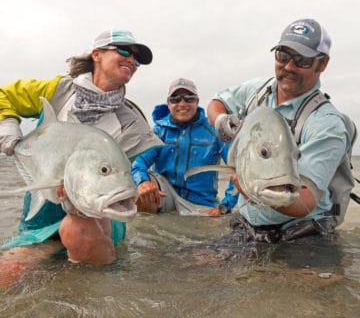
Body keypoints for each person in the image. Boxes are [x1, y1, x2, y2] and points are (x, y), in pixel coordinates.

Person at [0, 29, 163, 266]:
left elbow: (122, 176)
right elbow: (5, 96)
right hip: (43, 207)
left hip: (97, 214)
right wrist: (8, 126)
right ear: (96, 54)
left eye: (137, 59)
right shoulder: (57, 90)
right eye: (124, 51)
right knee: (9, 273)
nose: (132, 60)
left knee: (78, 229)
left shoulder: (134, 124)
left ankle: (94, 295)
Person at [207, 18, 351, 242]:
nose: (289, 67)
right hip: (249, 223)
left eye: (302, 60)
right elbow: (217, 101)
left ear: (322, 64)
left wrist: (251, 190)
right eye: (282, 56)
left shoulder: (328, 124)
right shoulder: (258, 89)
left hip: (302, 232)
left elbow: (306, 200)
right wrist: (221, 121)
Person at [131, 78, 238, 216]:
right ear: (168, 104)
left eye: (189, 98)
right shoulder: (158, 131)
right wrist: (142, 182)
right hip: (166, 196)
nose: (182, 104)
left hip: (202, 203)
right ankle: (149, 235)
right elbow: (138, 165)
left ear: (197, 102)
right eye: (175, 99)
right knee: (140, 189)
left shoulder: (214, 130)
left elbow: (238, 169)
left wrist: (225, 207)